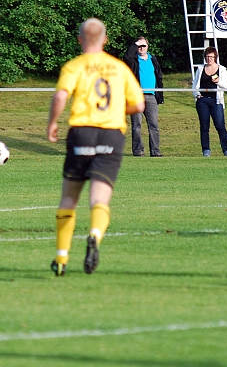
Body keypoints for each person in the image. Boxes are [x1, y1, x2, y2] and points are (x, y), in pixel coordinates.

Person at [47, 18, 144, 276]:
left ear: (80, 39)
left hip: (81, 133)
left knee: (69, 197)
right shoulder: (119, 67)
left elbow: (60, 96)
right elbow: (139, 105)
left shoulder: (75, 66)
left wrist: (52, 123)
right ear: (105, 39)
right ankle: (95, 234)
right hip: (111, 135)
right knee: (99, 198)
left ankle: (61, 258)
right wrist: (116, 110)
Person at [123, 36, 164, 157]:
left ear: (147, 46)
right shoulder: (134, 60)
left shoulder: (153, 59)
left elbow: (159, 76)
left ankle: (155, 151)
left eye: (143, 46)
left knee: (154, 125)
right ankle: (138, 151)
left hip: (151, 97)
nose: (141, 48)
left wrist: (159, 95)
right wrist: (135, 44)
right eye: (139, 46)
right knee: (136, 125)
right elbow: (127, 57)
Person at [192, 47, 227, 157]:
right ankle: (206, 150)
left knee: (220, 125)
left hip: (216, 101)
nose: (209, 59)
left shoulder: (222, 69)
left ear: (215, 57)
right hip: (202, 101)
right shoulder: (200, 69)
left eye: (211, 57)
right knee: (204, 126)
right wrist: (197, 95)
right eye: (207, 56)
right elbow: (194, 84)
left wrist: (218, 81)